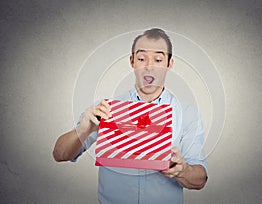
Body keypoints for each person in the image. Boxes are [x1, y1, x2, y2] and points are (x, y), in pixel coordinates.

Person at [53, 28, 208, 204]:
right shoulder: (106, 109)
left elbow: (200, 179)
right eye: (142, 59)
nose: (149, 65)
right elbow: (59, 154)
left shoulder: (187, 115)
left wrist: (182, 170)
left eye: (158, 59)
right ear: (132, 61)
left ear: (169, 64)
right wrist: (83, 129)